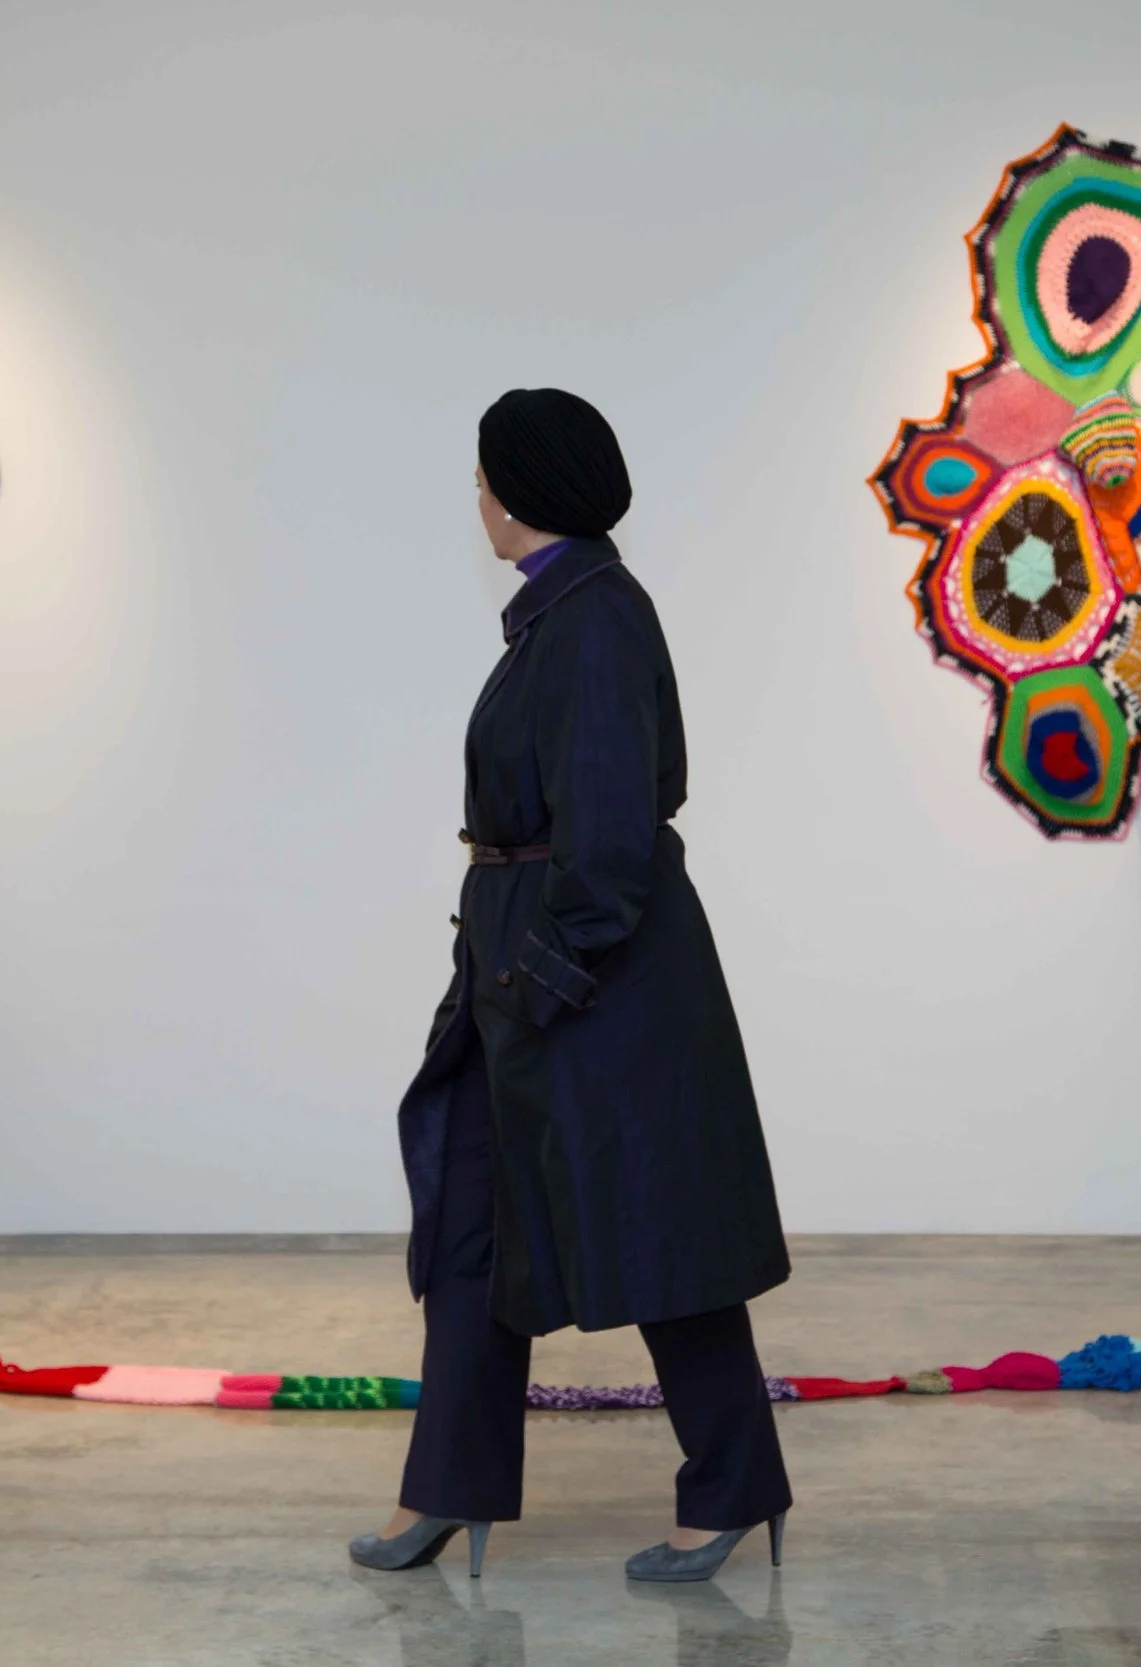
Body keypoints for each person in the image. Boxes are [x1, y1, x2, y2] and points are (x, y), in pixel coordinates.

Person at [348, 388, 794, 1584]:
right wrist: (500, 981)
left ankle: (734, 1488)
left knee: (661, 1237)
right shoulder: (559, 617)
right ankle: (446, 1483)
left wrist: (537, 981)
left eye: (486, 477)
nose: (478, 501)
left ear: (524, 488)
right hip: (526, 977)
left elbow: (609, 842)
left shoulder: (594, 621)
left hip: (603, 992)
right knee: (473, 1236)